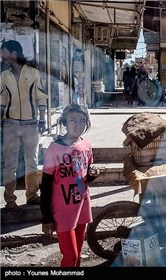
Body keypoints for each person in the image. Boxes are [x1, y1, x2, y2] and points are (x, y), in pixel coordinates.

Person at [40, 103, 101, 267]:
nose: (78, 125)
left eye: (82, 121)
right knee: (71, 256)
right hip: (62, 212)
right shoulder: (55, 148)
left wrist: (92, 175)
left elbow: (83, 177)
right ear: (64, 122)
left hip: (81, 207)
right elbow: (45, 185)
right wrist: (46, 217)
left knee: (78, 254)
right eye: (73, 120)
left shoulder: (86, 145)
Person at [0, 40, 48, 208]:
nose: (1, 55)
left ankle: (32, 195)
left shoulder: (33, 73)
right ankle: (10, 199)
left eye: (3, 52)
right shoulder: (4, 75)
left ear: (13, 54)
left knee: (32, 162)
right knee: (10, 163)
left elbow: (41, 97)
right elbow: (2, 99)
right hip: (10, 125)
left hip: (31, 124)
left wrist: (42, 119)